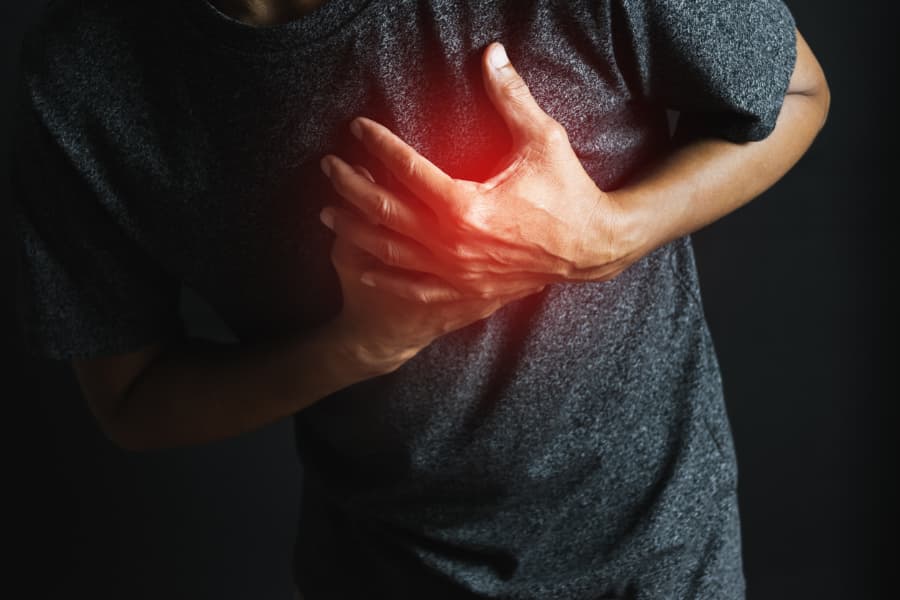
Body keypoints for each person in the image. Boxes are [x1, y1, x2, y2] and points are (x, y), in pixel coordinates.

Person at [11, 0, 829, 597]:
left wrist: (603, 239)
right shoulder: (80, 75)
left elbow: (797, 92)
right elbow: (132, 402)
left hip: (651, 557)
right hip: (379, 569)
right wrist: (359, 343)